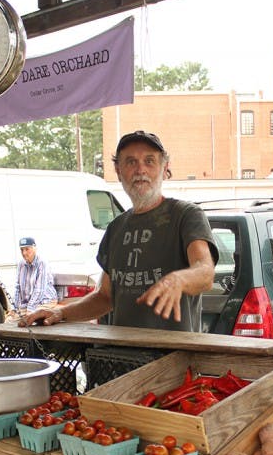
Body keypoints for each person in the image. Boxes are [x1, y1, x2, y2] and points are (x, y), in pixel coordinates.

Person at [20, 131, 217, 332]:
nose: (141, 169)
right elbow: (105, 297)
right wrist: (61, 313)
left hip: (174, 358)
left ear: (165, 168)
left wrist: (180, 279)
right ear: (118, 170)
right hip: (123, 357)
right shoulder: (116, 228)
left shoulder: (186, 215)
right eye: (131, 162)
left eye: (149, 161)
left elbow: (205, 272)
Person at [8, 236, 57, 320]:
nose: (24, 253)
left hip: (45, 301)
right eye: (22, 250)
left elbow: (39, 289)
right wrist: (14, 308)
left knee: (28, 320)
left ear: (34, 249)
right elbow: (18, 288)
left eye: (27, 249)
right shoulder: (21, 264)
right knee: (9, 320)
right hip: (30, 303)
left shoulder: (42, 263)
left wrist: (30, 309)